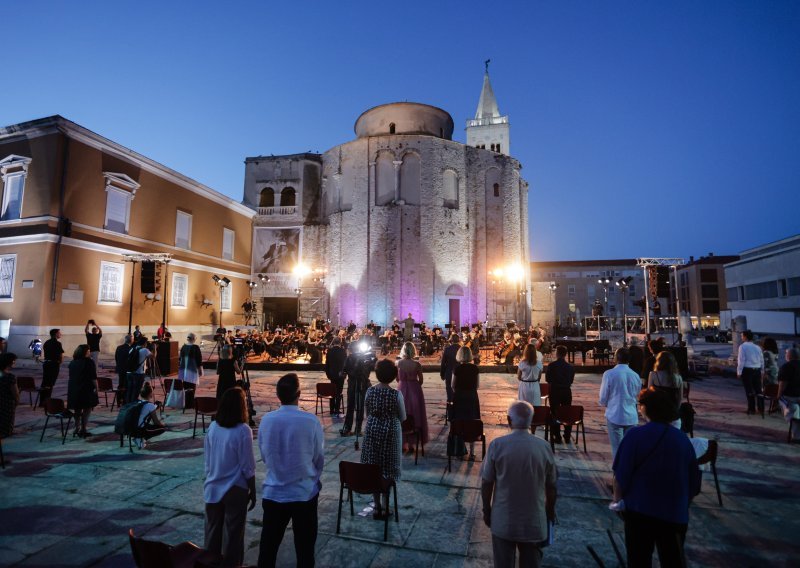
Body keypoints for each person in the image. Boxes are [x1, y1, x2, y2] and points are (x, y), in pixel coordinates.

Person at [612, 389, 701, 567]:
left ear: (646, 409)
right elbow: (694, 483)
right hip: (673, 514)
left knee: (638, 560)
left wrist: (618, 503)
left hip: (639, 511)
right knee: (672, 561)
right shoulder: (682, 440)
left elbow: (620, 476)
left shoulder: (635, 436)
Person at [257, 373, 323, 568]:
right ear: (299, 394)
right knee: (305, 551)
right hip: (303, 493)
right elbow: (318, 458)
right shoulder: (310, 421)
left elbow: (264, 453)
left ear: (278, 395)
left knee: (267, 550)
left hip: (274, 491)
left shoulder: (267, 420)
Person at [481, 400, 557, 568]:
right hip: (534, 521)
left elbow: (487, 483)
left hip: (503, 520)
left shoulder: (497, 445)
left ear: (509, 420)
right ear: (531, 420)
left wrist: (487, 510)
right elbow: (551, 487)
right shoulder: (544, 447)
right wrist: (550, 512)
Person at [204, 387, 256, 567]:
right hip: (235, 488)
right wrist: (253, 489)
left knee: (211, 534)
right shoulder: (243, 430)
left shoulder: (212, 427)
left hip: (213, 485)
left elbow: (208, 460)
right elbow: (248, 466)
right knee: (233, 537)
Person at [361, 359, 407, 518]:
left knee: (374, 467)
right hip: (390, 433)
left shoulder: (370, 391)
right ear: (394, 376)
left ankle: (376, 507)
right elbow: (402, 417)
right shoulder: (396, 394)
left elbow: (367, 413)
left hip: (372, 430)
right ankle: (386, 507)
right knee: (388, 469)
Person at [598, 348, 642, 460]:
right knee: (629, 449)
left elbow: (603, 397)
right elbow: (636, 394)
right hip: (631, 415)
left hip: (614, 414)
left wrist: (607, 403)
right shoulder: (635, 375)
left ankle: (618, 474)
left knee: (617, 449)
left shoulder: (609, 374)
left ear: (616, 358)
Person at [396, 342, 429, 452]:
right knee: (416, 414)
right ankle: (412, 445)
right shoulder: (417, 365)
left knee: (402, 414)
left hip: (402, 388)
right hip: (415, 389)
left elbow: (397, 379)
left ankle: (402, 443)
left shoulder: (398, 363)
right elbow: (421, 380)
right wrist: (414, 384)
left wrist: (403, 382)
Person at [452, 346, 481, 459]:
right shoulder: (475, 368)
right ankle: (472, 452)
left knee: (459, 420)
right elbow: (477, 385)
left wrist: (459, 391)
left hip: (459, 397)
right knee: (472, 420)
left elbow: (452, 385)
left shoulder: (457, 368)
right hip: (472, 396)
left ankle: (459, 449)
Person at [67, 344, 99, 438]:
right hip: (85, 388)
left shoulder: (73, 362)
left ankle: (77, 427)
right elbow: (93, 377)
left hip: (74, 388)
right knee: (87, 409)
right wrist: (97, 388)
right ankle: (83, 429)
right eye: (88, 350)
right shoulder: (89, 362)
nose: (90, 352)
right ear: (85, 352)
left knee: (77, 409)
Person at [545, 345, 575, 444]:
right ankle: (567, 436)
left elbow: (547, 379)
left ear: (557, 354)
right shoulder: (570, 367)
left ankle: (557, 436)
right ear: (565, 354)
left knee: (554, 413)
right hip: (566, 392)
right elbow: (571, 380)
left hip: (555, 391)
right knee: (567, 413)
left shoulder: (551, 365)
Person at [340, 343, 371, 437]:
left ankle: (348, 428)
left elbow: (343, 371)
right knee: (358, 407)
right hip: (358, 384)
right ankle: (356, 429)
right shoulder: (360, 358)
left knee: (352, 407)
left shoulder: (350, 358)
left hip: (357, 384)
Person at [648, 351, 684, 428]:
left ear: (659, 361)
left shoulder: (653, 375)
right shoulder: (679, 378)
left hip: (657, 416)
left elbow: (648, 395)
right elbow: (680, 399)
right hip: (673, 417)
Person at [737, 330, 764, 415]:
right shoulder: (757, 347)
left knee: (749, 390)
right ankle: (761, 408)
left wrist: (739, 371)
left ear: (745, 337)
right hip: (757, 369)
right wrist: (762, 370)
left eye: (742, 336)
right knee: (758, 390)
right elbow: (761, 360)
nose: (741, 337)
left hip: (747, 370)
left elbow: (741, 360)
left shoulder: (742, 347)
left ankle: (751, 409)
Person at [133, 381, 167, 448]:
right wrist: (162, 424)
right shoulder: (150, 405)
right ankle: (140, 439)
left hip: (132, 427)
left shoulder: (137, 402)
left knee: (147, 423)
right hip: (140, 429)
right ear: (150, 394)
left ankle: (139, 438)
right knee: (162, 429)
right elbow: (156, 422)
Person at [778, 347, 800, 442]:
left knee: (791, 413)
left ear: (789, 356)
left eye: (786, 354)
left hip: (790, 396)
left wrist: (778, 395)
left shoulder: (786, 366)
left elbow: (783, 383)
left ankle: (796, 435)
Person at [179, 333, 203, 408]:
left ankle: (186, 403)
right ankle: (191, 403)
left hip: (184, 370)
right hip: (192, 370)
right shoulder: (195, 347)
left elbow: (180, 358)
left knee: (186, 387)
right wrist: (200, 370)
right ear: (193, 339)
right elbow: (199, 359)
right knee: (192, 387)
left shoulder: (183, 347)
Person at [41, 328, 64, 405]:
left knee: (45, 382)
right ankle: (47, 401)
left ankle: (42, 401)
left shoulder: (47, 342)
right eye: (59, 333)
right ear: (55, 334)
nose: (60, 334)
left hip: (46, 363)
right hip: (53, 364)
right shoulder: (57, 344)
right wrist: (60, 361)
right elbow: (60, 355)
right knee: (50, 383)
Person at [324, 338, 347, 415]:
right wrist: (345, 374)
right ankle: (337, 409)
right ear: (340, 343)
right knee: (339, 392)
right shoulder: (343, 351)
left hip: (332, 375)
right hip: (340, 375)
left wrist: (328, 374)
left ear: (333, 343)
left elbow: (327, 364)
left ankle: (331, 410)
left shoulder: (330, 351)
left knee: (332, 392)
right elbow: (345, 364)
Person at [0, 353, 20, 440]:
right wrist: (17, 401)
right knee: (7, 423)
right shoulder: (10, 377)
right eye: (13, 361)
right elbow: (15, 393)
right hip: (7, 402)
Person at [126, 338, 151, 404]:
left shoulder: (132, 348)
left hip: (129, 372)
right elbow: (153, 357)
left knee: (129, 390)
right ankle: (134, 405)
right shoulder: (145, 350)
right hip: (139, 373)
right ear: (145, 343)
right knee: (136, 390)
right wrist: (155, 348)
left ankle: (128, 404)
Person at [440, 334, 461, 402]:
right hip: (459, 373)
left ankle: (450, 407)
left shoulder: (447, 349)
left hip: (449, 372)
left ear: (451, 340)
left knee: (449, 390)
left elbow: (443, 363)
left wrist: (442, 374)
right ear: (459, 340)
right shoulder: (461, 349)